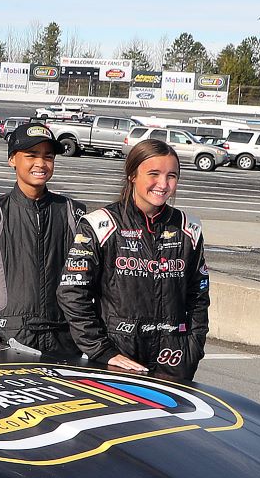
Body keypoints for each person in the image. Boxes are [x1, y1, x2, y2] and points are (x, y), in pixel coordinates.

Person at [58, 138, 210, 381]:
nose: (163, 184)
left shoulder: (188, 228)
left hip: (174, 357)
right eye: (154, 174)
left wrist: (193, 347)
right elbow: (72, 292)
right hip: (118, 354)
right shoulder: (99, 224)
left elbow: (199, 296)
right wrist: (101, 350)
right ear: (132, 175)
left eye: (171, 176)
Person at [0, 120, 85, 356]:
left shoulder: (74, 213)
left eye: (48, 157)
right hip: (11, 337)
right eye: (31, 155)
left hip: (65, 338)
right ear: (12, 159)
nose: (40, 163)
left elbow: (89, 280)